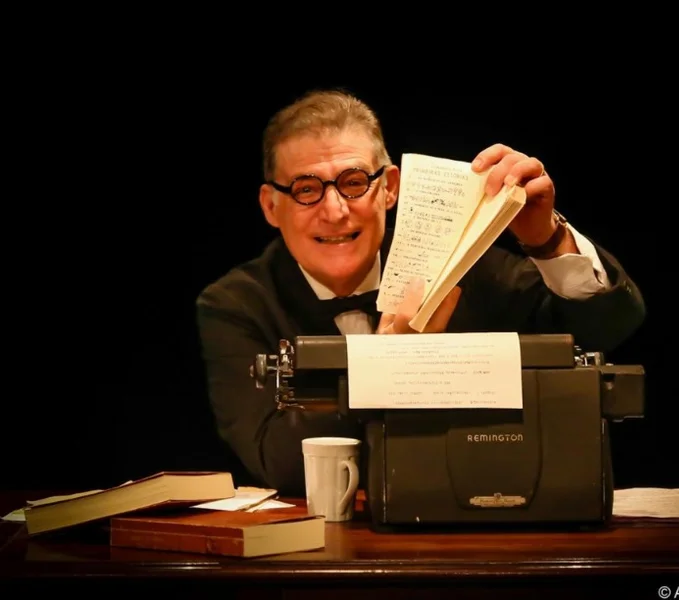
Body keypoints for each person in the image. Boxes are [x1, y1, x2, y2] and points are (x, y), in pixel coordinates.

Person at [196, 89, 646, 495]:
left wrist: (547, 241)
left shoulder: (463, 267)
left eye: (353, 183)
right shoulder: (235, 304)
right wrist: (390, 363)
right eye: (306, 189)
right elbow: (279, 460)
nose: (334, 211)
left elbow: (609, 327)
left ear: (389, 188)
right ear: (271, 206)